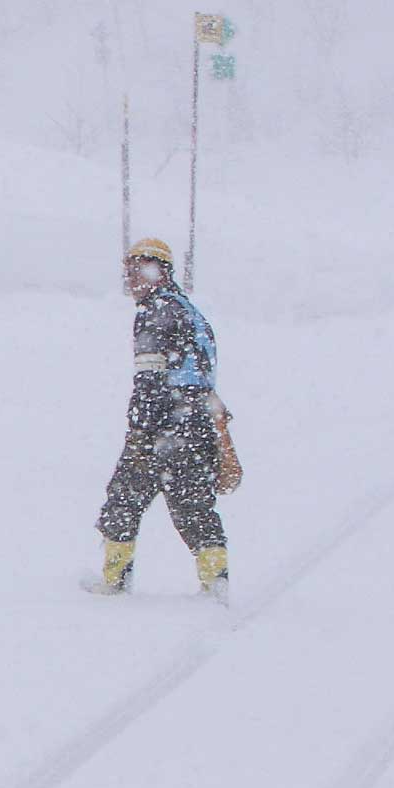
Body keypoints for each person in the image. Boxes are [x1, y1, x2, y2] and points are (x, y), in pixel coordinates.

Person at [90, 237, 233, 599]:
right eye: (129, 272)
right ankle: (216, 583)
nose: (132, 280)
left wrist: (140, 431)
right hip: (197, 422)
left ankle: (114, 581)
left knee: (123, 500)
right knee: (194, 506)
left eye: (138, 270)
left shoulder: (155, 313)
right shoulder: (191, 312)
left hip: (163, 425)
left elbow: (150, 380)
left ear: (159, 271)